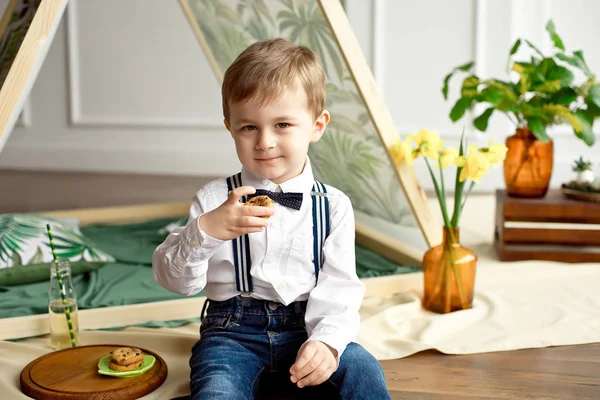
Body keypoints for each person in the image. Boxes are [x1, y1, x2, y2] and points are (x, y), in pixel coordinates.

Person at [153, 37, 391, 400]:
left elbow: (340, 288)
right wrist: (207, 231)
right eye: (248, 127)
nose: (264, 141)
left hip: (307, 329)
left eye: (282, 125)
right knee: (216, 389)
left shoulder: (334, 206)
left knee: (363, 368)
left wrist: (326, 344)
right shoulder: (214, 199)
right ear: (229, 126)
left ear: (317, 125)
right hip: (232, 334)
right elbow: (176, 282)